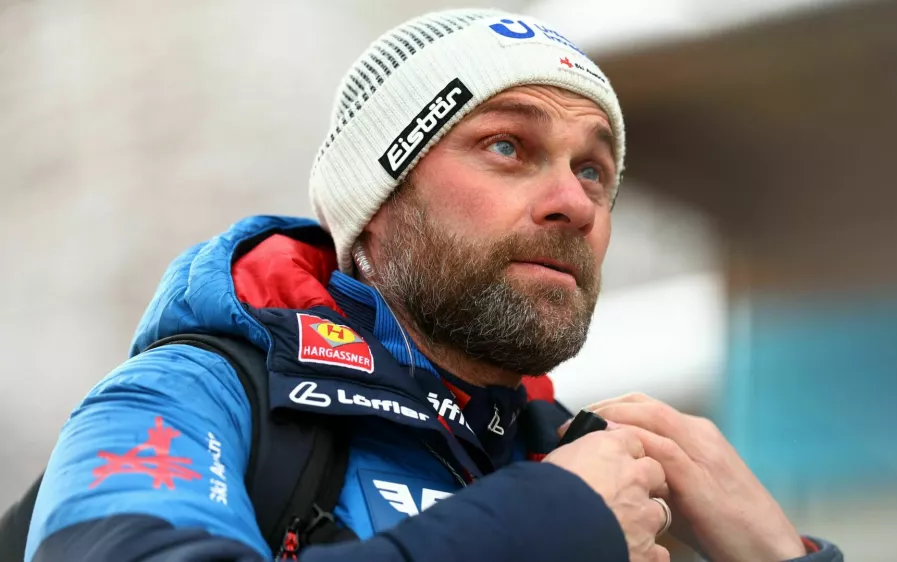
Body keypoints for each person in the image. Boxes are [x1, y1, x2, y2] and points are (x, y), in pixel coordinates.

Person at [22, 8, 842, 562]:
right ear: (376, 204)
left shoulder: (594, 470)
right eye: (508, 147)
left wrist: (782, 556)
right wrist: (544, 527)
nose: (573, 202)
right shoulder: (194, 396)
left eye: (594, 169)